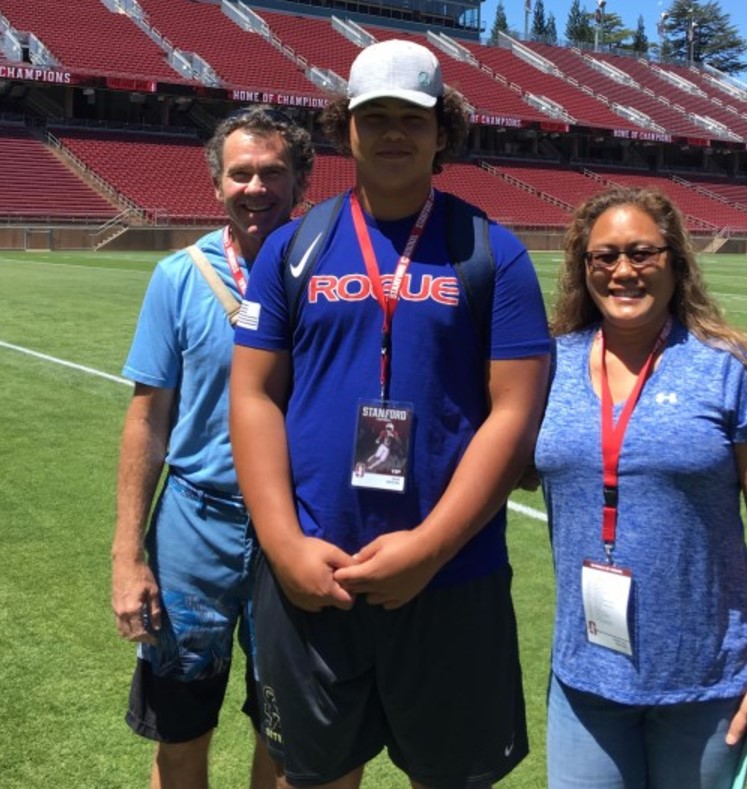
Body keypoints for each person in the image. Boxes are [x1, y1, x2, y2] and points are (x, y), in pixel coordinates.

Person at [229, 39, 551, 789]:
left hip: (450, 579)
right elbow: (252, 395)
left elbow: (513, 416)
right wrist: (283, 545)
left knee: (451, 777)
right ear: (346, 128)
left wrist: (431, 547)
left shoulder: (491, 252)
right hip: (316, 572)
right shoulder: (293, 248)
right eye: (374, 117)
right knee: (315, 776)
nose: (393, 133)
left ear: (443, 130)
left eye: (412, 117)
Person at [534, 186, 747, 788]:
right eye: (604, 256)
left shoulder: (729, 369)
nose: (623, 270)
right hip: (586, 680)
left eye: (642, 253)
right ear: (583, 268)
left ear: (675, 261)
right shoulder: (547, 365)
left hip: (706, 684)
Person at [110, 105, 314, 789]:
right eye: (241, 174)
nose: (256, 187)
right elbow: (148, 419)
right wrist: (127, 554)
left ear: (300, 183)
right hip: (195, 524)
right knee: (179, 730)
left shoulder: (327, 278)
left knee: (287, 734)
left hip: (296, 525)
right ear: (217, 186)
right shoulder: (178, 276)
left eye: (272, 172)